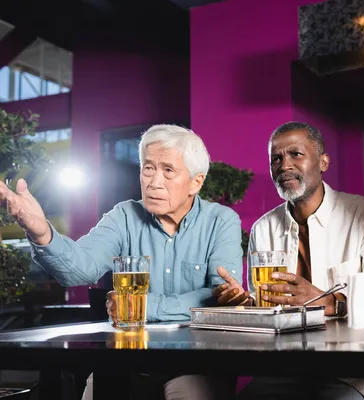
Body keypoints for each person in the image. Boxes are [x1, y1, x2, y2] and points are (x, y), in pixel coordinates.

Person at [0, 124, 241, 400]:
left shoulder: (221, 221)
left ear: (196, 182)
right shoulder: (124, 216)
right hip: (124, 359)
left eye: (168, 171)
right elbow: (80, 269)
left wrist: (144, 305)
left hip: (195, 362)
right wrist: (41, 231)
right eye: (148, 168)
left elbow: (221, 297)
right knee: (97, 389)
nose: (154, 181)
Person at [213, 121, 364, 399]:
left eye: (296, 154)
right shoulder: (263, 228)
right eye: (276, 158)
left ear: (323, 162)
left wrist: (329, 302)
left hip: (350, 373)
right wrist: (246, 306)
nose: (284, 165)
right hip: (282, 372)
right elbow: (265, 309)